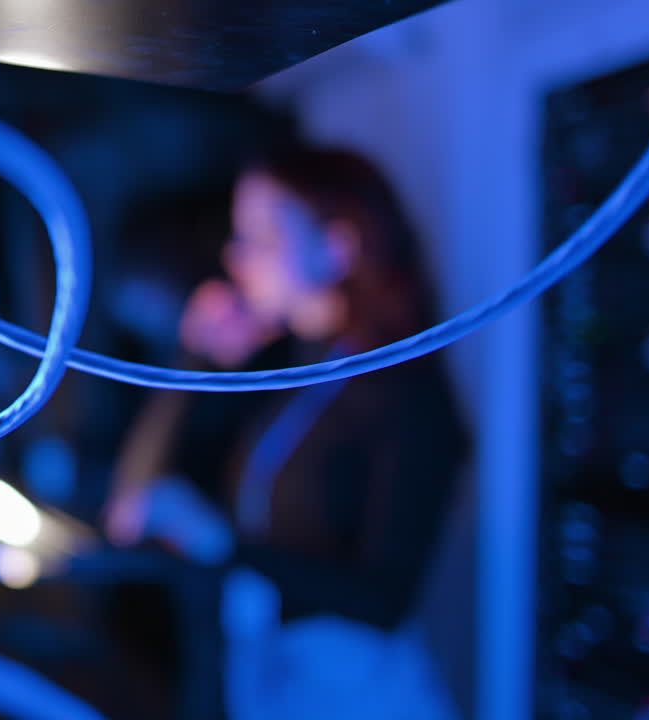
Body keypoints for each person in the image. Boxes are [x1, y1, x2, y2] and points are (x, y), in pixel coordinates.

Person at [103, 145, 469, 634]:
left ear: (339, 248)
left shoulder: (405, 396)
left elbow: (385, 600)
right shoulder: (285, 364)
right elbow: (131, 505)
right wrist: (193, 357)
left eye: (263, 237)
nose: (236, 258)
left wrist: (225, 546)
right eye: (238, 236)